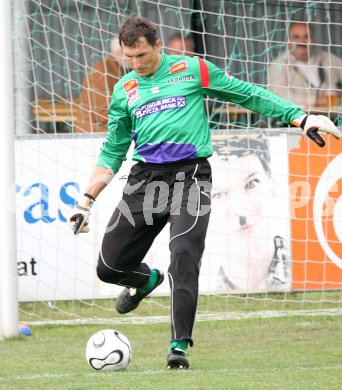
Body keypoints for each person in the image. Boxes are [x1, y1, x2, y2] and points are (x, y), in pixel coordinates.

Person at [68, 15, 340, 369]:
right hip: (145, 180)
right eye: (129, 58)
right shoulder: (125, 90)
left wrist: (300, 118)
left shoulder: (192, 69)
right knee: (108, 267)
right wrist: (86, 201)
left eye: (142, 57)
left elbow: (248, 93)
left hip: (191, 175)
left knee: (183, 253)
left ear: (158, 47)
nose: (136, 65)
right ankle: (146, 279)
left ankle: (178, 346)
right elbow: (112, 151)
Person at [209, 135, 290, 291]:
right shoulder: (199, 285)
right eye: (219, 194)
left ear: (273, 187)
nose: (241, 208)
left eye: (251, 184)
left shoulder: (307, 267)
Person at [268, 22, 342, 109]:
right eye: (296, 37)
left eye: (306, 36)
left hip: (332, 118)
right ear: (288, 40)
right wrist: (316, 100)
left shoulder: (329, 59)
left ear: (313, 39)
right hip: (296, 120)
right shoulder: (278, 65)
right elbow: (278, 96)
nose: (302, 41)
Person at [74, 37, 125, 133]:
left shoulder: (117, 70)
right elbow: (102, 113)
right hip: (95, 132)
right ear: (119, 52)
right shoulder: (101, 72)